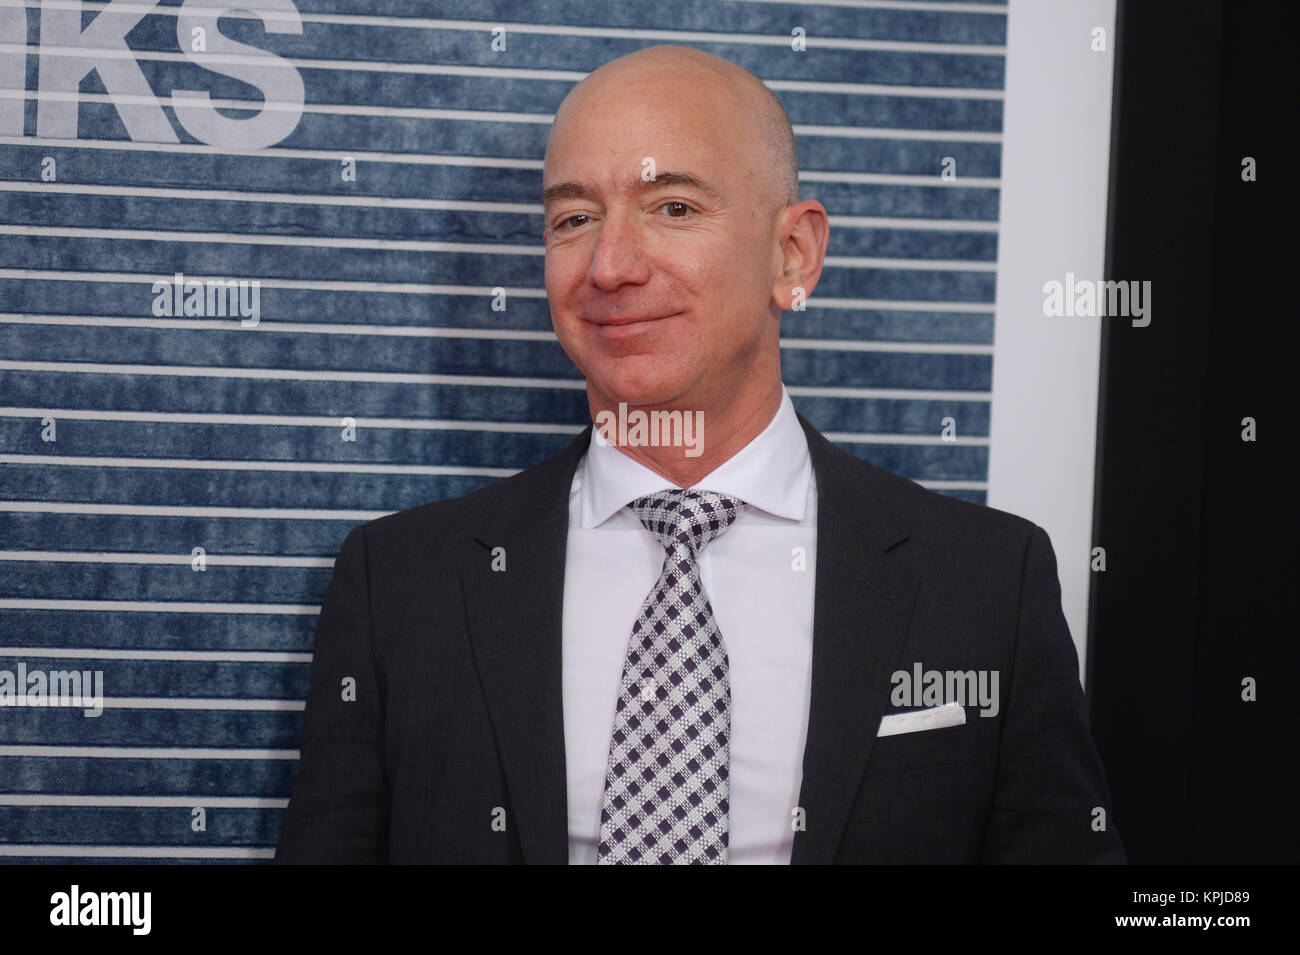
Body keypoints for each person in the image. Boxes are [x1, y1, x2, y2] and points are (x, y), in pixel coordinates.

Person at [274, 45, 1124, 864]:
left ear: (794, 254)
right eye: (573, 218)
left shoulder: (986, 580)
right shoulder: (398, 584)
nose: (609, 266)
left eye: (672, 207)